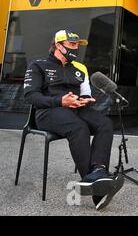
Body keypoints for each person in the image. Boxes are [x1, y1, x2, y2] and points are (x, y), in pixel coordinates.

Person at [23, 30, 123, 210]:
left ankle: (98, 170)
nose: (76, 49)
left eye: (77, 45)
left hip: (75, 109)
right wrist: (59, 100)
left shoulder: (78, 69)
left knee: (105, 123)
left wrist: (86, 100)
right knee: (79, 127)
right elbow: (30, 96)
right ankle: (96, 187)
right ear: (58, 45)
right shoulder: (38, 65)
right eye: (71, 44)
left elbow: (85, 94)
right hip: (49, 112)